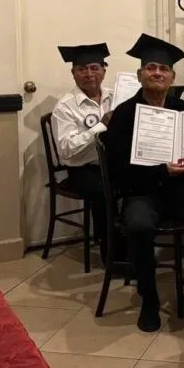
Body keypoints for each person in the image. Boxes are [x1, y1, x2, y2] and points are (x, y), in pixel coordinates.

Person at [105, 34, 184, 333]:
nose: (157, 73)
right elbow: (117, 170)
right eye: (151, 67)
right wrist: (161, 171)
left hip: (180, 192)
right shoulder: (124, 114)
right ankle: (149, 298)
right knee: (139, 226)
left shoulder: (183, 109)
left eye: (164, 69)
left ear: (172, 77)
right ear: (139, 74)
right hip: (142, 193)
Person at [52, 42, 113, 263]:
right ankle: (112, 254)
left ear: (104, 71)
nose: (89, 74)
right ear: (73, 73)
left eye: (94, 68)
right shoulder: (65, 107)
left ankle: (134, 245)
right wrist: (101, 126)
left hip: (113, 164)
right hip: (83, 169)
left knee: (139, 183)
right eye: (82, 69)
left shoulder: (116, 97)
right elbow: (66, 150)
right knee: (104, 191)